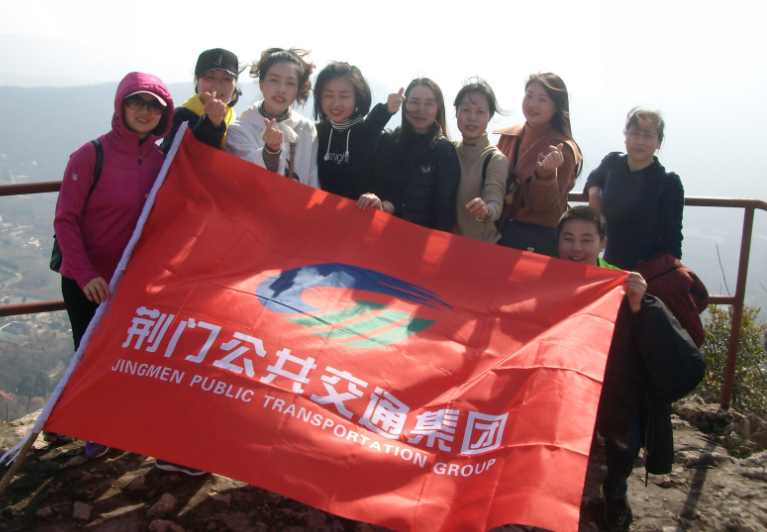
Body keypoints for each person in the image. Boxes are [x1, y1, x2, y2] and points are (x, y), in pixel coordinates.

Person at [557, 206, 704, 532]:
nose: (576, 248)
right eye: (568, 239)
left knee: (624, 441)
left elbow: (662, 347)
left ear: (602, 244)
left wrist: (638, 306)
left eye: (586, 240)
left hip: (615, 385)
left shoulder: (621, 284)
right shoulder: (547, 280)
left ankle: (614, 494)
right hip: (564, 384)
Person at [53, 72, 174, 459]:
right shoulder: (90, 154)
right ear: (121, 105)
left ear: (165, 113)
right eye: (136, 102)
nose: (145, 111)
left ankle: (110, 423)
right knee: (88, 354)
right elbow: (65, 220)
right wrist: (85, 274)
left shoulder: (161, 162)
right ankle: (88, 426)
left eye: (154, 105)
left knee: (123, 355)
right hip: (85, 279)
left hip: (129, 281)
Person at [584, 108, 683, 271]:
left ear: (658, 143)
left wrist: (667, 275)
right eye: (635, 133)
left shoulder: (667, 182)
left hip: (648, 273)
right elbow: (594, 177)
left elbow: (672, 238)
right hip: (610, 267)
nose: (640, 141)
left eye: (648, 136)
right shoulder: (613, 163)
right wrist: (594, 198)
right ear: (626, 137)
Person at [494, 73, 582, 256]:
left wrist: (546, 173)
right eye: (529, 96)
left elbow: (543, 205)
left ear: (556, 107)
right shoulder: (508, 137)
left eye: (542, 99)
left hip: (534, 244)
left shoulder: (562, 148)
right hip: (498, 235)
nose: (532, 104)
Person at [360, 78, 460, 232]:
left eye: (429, 103)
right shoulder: (393, 140)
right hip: (385, 233)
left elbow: (445, 210)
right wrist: (385, 110)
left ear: (438, 108)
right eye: (414, 102)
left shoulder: (443, 150)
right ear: (404, 105)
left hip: (421, 238)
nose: (421, 109)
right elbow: (364, 136)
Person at [225, 48, 318, 188]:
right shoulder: (240, 129)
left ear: (298, 89)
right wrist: (270, 152)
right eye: (274, 80)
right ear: (261, 84)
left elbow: (314, 184)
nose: (281, 89)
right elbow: (245, 178)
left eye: (290, 83)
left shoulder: (306, 129)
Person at [314, 62, 404, 201]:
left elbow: (394, 197)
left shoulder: (379, 140)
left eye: (344, 96)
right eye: (329, 95)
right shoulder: (313, 134)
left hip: (362, 216)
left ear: (358, 97)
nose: (336, 103)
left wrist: (380, 204)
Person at [451, 78, 509, 243]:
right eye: (466, 110)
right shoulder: (448, 150)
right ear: (456, 112)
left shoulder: (494, 159)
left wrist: (486, 211)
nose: (472, 118)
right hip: (447, 246)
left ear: (489, 116)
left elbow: (494, 201)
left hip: (480, 249)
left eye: (480, 112)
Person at [161, 48, 241, 154]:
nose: (217, 85)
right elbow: (181, 155)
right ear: (197, 81)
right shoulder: (179, 118)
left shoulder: (240, 124)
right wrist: (212, 124)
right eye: (210, 77)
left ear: (235, 83)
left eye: (226, 79)